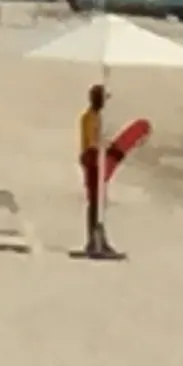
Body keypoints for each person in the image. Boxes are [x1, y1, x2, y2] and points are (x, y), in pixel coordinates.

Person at [78, 84, 122, 261]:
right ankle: (94, 240)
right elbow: (91, 142)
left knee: (98, 201)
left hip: (95, 158)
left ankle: (98, 239)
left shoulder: (95, 117)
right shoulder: (89, 118)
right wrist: (105, 146)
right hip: (92, 159)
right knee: (95, 201)